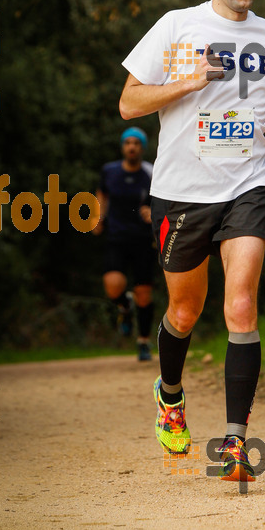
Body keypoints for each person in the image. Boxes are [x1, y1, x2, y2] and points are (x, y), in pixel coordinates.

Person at [119, 0, 265, 482]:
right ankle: (170, 395)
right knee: (184, 311)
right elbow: (129, 104)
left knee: (241, 306)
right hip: (182, 193)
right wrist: (186, 82)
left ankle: (234, 445)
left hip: (247, 182)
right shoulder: (177, 27)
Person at [93, 127, 156, 362]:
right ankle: (124, 305)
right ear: (122, 147)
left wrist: (154, 212)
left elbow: (163, 198)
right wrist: (98, 217)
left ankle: (143, 342)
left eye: (136, 143)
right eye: (128, 143)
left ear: (142, 147)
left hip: (143, 239)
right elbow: (102, 194)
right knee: (113, 285)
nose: (132, 147)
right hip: (116, 237)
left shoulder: (151, 172)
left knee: (144, 293)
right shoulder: (109, 171)